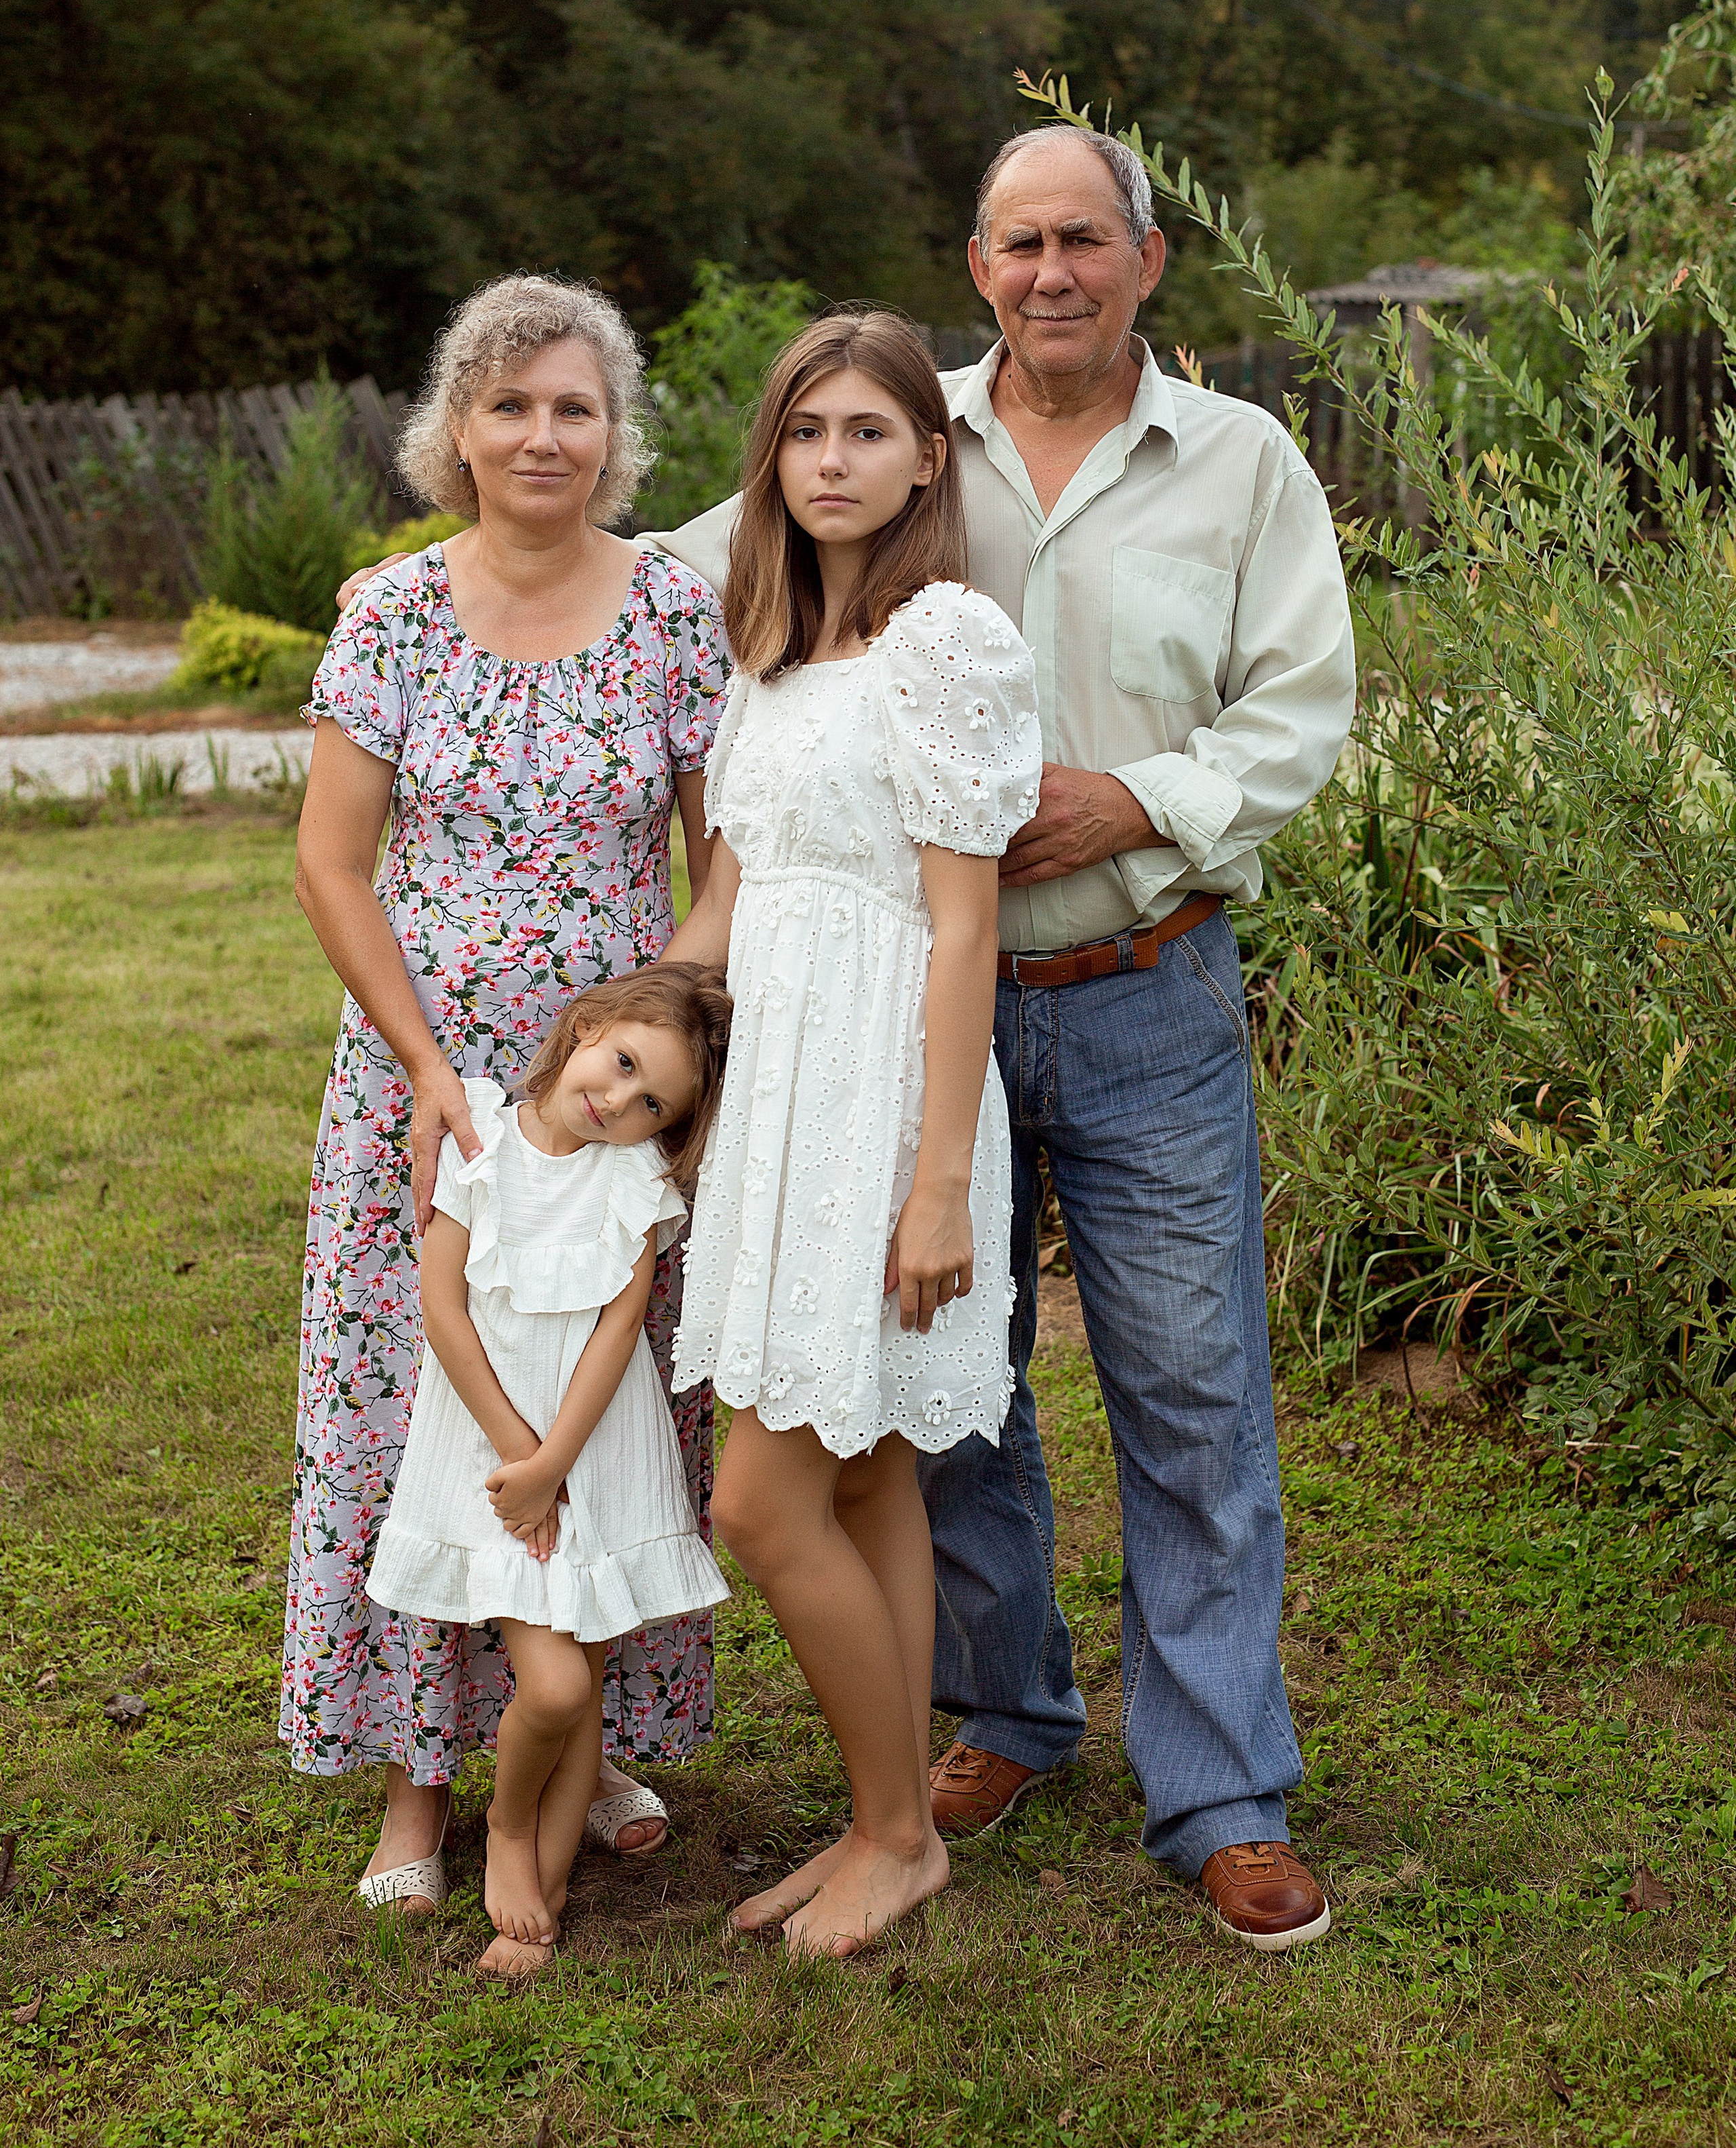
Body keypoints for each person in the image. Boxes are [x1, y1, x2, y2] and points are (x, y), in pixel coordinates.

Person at [654, 125, 1357, 1949]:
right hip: (902, 1028)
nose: (1052, 271)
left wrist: (1135, 799)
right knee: (935, 1412)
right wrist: (436, 575)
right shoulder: (896, 429)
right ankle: (1001, 1714)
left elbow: (1302, 712)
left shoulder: (1241, 465)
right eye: (1019, 242)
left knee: (1189, 1393)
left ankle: (1219, 1792)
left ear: (1148, 258)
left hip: (1136, 986)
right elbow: (691, 552)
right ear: (979, 265)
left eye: (1084, 241)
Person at [288, 272, 730, 1915]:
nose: (543, 435)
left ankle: (590, 1734)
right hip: (439, 1094)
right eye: (510, 404)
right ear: (454, 430)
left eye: (575, 406)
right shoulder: (391, 613)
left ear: (615, 436)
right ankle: (415, 1779)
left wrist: (664, 1032)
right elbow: (333, 866)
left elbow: (719, 850)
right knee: (410, 1414)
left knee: (612, 1410)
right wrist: (420, 1067)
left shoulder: (676, 611)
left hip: (615, 1097)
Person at [662, 310, 1042, 1957]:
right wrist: (594, 1080)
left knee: (757, 1504)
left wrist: (939, 1181)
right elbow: (721, 912)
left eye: (867, 432)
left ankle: (901, 1836)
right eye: (806, 432)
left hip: (889, 1097)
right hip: (779, 1096)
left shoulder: (943, 639)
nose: (833, 461)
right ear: (775, 456)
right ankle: (882, 1812)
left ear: (926, 457)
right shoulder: (771, 657)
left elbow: (966, 931)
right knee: (872, 1475)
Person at [367, 964, 734, 1978]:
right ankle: (507, 1825)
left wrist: (558, 1461)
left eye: (651, 1100)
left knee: (587, 1684)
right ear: (585, 1029)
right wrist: (520, 1463)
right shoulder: (481, 1139)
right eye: (620, 1065)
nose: (619, 1100)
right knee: (559, 1688)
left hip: (596, 1461)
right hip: (491, 1456)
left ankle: (545, 1891)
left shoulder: (634, 1183)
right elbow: (443, 1310)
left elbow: (621, 1337)